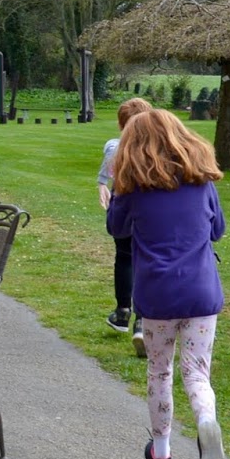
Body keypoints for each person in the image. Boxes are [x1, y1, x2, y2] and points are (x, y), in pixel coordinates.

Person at [106, 108, 228, 459]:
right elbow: (218, 229)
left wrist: (117, 192)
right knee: (196, 372)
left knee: (160, 371)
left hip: (156, 295)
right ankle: (206, 422)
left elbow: (116, 228)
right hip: (201, 292)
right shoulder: (202, 182)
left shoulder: (132, 189)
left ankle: (161, 453)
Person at [98, 97, 153, 351]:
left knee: (124, 258)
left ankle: (122, 312)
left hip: (124, 210)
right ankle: (143, 321)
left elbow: (107, 172)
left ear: (122, 125)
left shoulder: (115, 147)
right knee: (147, 261)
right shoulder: (158, 151)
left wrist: (102, 185)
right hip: (152, 213)